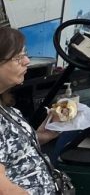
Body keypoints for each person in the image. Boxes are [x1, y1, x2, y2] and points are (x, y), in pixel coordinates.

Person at [0, 28, 61, 194]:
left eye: (25, 54)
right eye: (18, 58)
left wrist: (42, 135)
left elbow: (10, 151)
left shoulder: (4, 107)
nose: (26, 61)